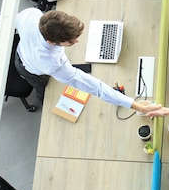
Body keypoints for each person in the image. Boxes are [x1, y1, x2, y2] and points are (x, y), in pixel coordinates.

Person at [14, 7, 161, 115]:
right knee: (46, 94)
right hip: (31, 70)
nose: (77, 41)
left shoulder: (32, 15)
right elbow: (96, 88)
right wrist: (137, 106)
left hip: (23, 50)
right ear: (52, 42)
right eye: (71, 42)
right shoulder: (53, 63)